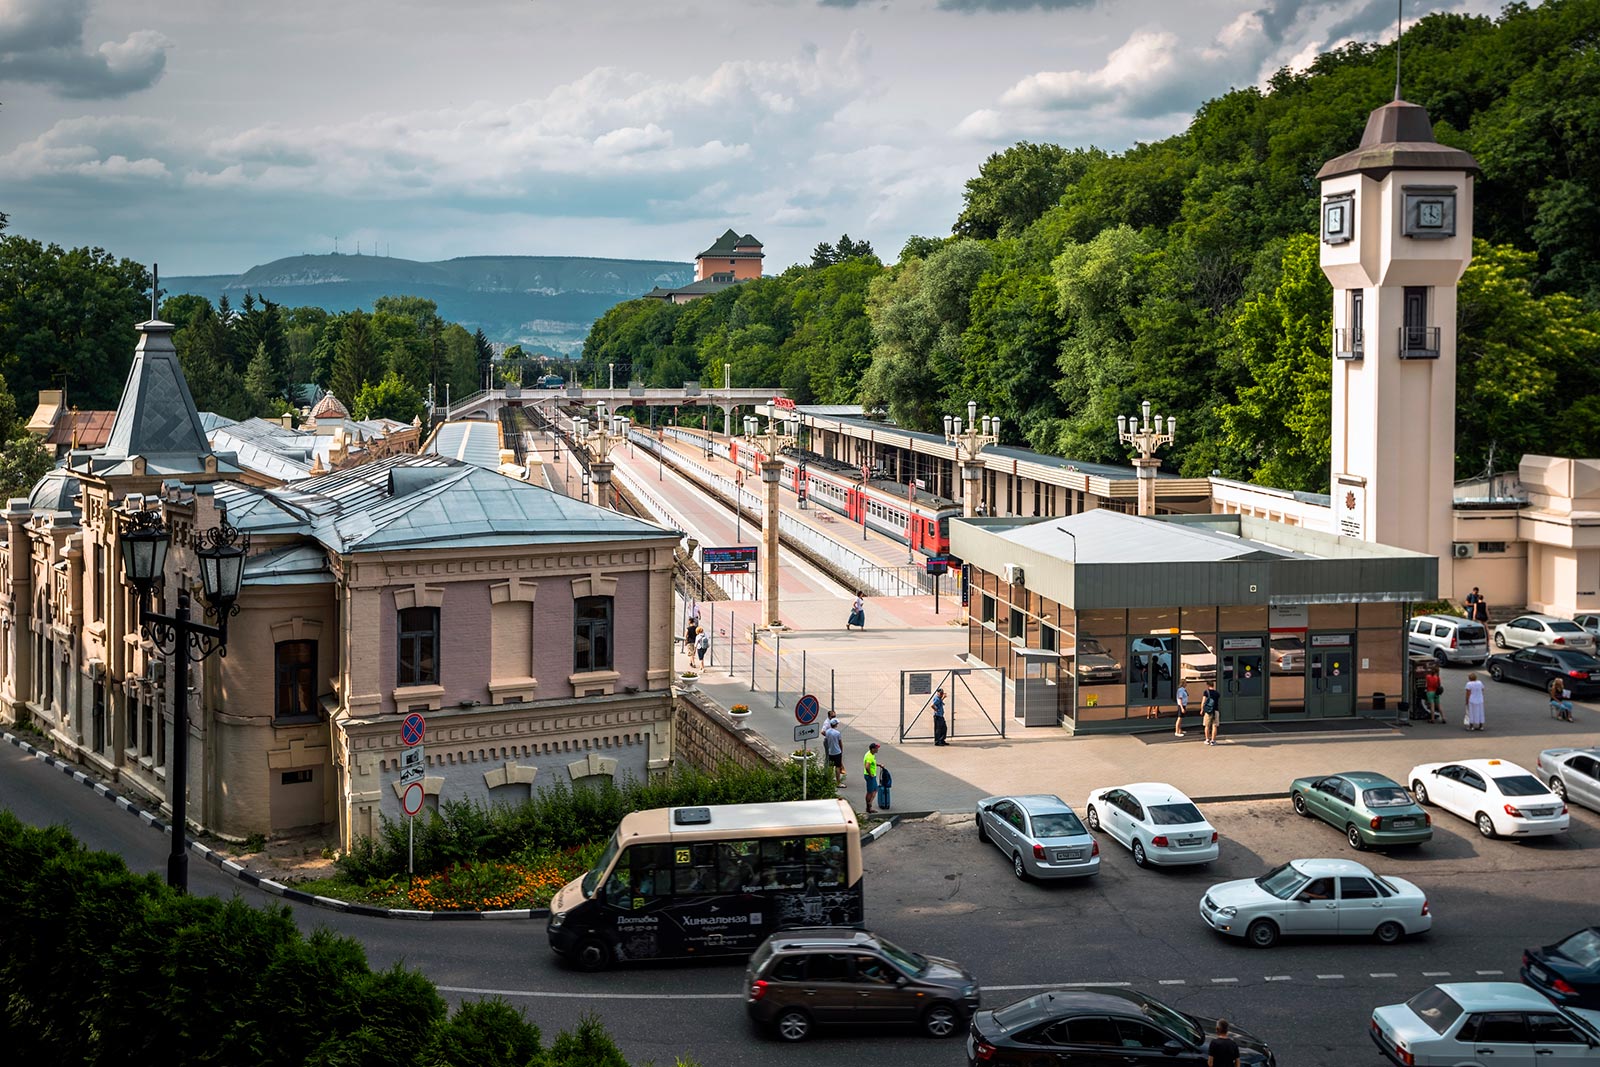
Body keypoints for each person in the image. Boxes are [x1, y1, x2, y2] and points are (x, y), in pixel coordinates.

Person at [823, 719, 845, 786]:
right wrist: (841, 751)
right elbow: (840, 743)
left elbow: (826, 739)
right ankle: (838, 782)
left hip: (830, 751)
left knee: (831, 767)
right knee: (838, 767)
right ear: (835, 724)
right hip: (837, 752)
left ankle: (829, 780)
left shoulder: (827, 732)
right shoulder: (837, 733)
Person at [863, 743, 880, 814]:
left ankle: (869, 804)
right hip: (870, 776)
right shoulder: (869, 756)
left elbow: (872, 763)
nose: (877, 749)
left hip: (872, 776)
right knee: (870, 792)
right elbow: (867, 766)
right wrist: (870, 774)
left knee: (875, 789)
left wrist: (879, 765)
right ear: (873, 749)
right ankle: (868, 807)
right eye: (876, 748)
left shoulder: (870, 754)